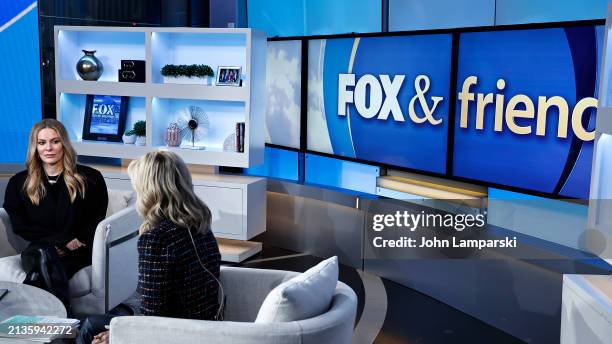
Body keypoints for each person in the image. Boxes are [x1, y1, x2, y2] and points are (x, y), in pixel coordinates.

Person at [78, 151, 221, 344]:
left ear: (149, 189)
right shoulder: (199, 222)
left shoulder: (157, 238)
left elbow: (153, 315)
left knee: (89, 327)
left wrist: (120, 335)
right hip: (205, 325)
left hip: (177, 332)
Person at [3, 119, 108, 307]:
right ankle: (63, 323)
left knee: (39, 272)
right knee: (44, 255)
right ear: (35, 147)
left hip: (78, 249)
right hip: (39, 247)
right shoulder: (18, 183)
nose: (48, 148)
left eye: (55, 141)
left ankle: (33, 319)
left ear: (64, 144)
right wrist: (59, 241)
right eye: (42, 143)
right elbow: (20, 225)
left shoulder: (90, 178)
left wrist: (71, 243)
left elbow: (97, 219)